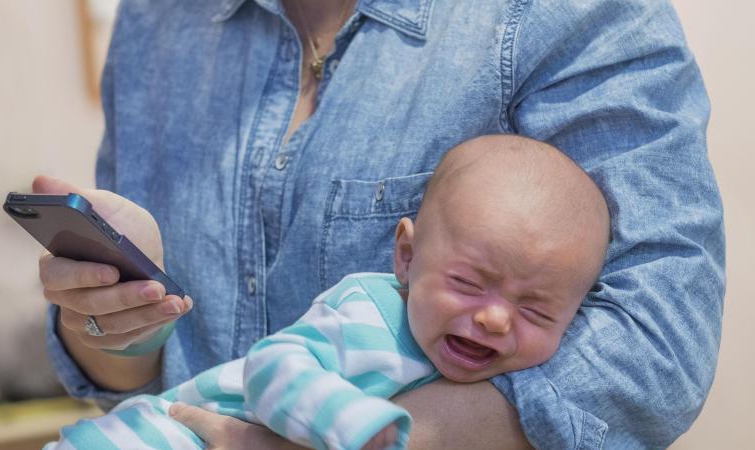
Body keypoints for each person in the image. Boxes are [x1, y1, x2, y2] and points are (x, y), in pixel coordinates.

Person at [35, 0, 725, 448]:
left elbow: (657, 348)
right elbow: (128, 375)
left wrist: (365, 439)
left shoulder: (568, 15)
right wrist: (113, 320)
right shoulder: (158, 21)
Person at [45, 135, 611, 450]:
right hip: (155, 436)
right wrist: (356, 427)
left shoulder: (483, 362)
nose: (492, 318)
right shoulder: (373, 311)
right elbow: (271, 367)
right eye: (467, 283)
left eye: (535, 310)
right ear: (407, 257)